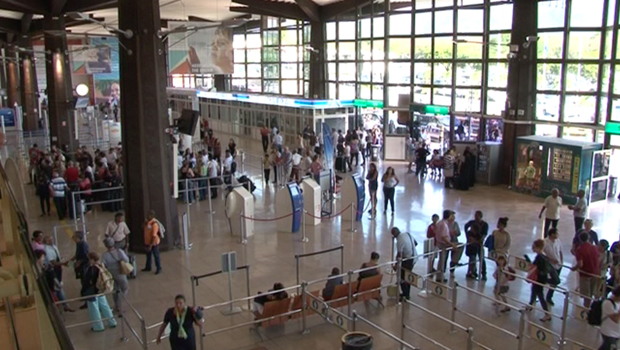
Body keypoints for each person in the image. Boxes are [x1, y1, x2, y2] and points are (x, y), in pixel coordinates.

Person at [81, 252, 117, 332]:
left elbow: (88, 281)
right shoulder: (101, 266)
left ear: (92, 260)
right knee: (105, 306)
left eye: (89, 259)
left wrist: (84, 291)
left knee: (94, 309)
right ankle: (112, 322)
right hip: (101, 290)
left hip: (92, 291)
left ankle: (98, 326)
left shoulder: (92, 269)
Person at [571, 232, 601, 308]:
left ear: (580, 240)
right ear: (588, 238)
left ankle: (586, 310)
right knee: (591, 293)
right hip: (595, 272)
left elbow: (580, 264)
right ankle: (590, 308)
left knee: (586, 295)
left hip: (585, 274)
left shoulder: (580, 250)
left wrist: (574, 268)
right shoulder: (595, 247)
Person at [102, 237, 130, 313]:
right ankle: (120, 305)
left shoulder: (105, 255)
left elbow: (103, 265)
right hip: (120, 273)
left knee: (115, 290)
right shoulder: (119, 251)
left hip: (111, 274)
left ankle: (116, 305)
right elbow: (126, 260)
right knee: (125, 288)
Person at [529, 239, 552, 322]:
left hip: (538, 279)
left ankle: (547, 314)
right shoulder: (544, 256)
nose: (533, 249)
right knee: (533, 291)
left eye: (534, 247)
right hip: (542, 278)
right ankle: (530, 305)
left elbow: (535, 267)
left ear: (539, 247)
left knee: (540, 295)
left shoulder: (539, 257)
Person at [392, 227, 417, 301]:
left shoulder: (399, 240)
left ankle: (405, 294)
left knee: (401, 277)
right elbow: (415, 243)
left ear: (394, 235)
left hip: (407, 260)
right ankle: (407, 294)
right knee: (408, 276)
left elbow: (400, 255)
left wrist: (396, 266)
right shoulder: (407, 234)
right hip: (414, 257)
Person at [464, 211, 489, 280]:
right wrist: (467, 236)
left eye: (477, 216)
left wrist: (480, 240)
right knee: (472, 258)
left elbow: (484, 234)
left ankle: (483, 273)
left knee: (481, 258)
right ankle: (472, 271)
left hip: (479, 245)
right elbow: (466, 226)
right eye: (475, 216)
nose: (476, 217)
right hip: (472, 245)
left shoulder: (484, 224)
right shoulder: (472, 223)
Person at [543, 228, 564, 306]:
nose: (557, 235)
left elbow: (561, 251)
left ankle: (549, 297)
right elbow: (542, 255)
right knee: (555, 280)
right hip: (550, 265)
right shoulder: (545, 242)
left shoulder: (558, 241)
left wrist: (561, 262)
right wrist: (551, 260)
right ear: (552, 234)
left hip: (558, 265)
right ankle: (545, 280)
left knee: (554, 283)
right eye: (556, 233)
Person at [435, 210, 456, 283]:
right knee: (442, 260)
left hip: (440, 243)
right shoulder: (444, 224)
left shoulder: (440, 222)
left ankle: (440, 275)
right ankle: (440, 276)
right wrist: (451, 244)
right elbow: (443, 236)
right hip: (443, 244)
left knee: (442, 260)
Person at [599, 286, 620, 350]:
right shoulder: (608, 303)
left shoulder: (618, 303)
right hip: (608, 332)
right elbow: (616, 319)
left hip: (616, 333)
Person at [142, 210, 162, 275]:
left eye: (149, 215)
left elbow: (154, 235)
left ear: (152, 216)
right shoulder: (147, 222)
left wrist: (151, 245)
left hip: (153, 243)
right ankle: (148, 267)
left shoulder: (154, 224)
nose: (147, 216)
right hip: (147, 242)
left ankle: (158, 268)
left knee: (156, 255)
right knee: (148, 255)